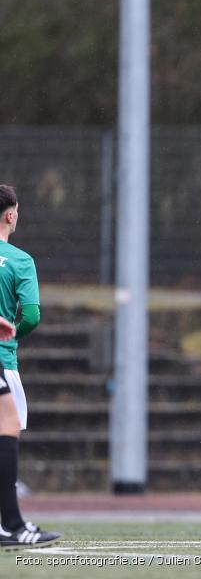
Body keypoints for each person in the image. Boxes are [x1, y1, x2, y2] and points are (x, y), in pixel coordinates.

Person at [0, 185, 60, 548]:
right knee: (7, 427)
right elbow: (33, 315)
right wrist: (14, 334)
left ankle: (10, 523)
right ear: (10, 215)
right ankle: (11, 524)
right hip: (2, 360)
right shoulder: (20, 260)